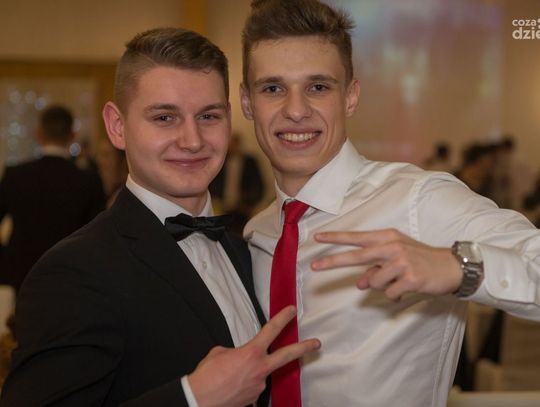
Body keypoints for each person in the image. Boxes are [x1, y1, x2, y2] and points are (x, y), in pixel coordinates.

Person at [240, 1, 540, 406]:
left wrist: (458, 267)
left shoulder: (418, 200)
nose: (295, 110)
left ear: (350, 96)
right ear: (247, 102)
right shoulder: (258, 233)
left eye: (318, 87)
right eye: (273, 88)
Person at [0, 27, 319, 406]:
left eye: (209, 116)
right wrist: (193, 397)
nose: (192, 141)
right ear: (117, 127)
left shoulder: (246, 251)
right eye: (165, 117)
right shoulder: (71, 272)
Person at [0, 105, 106, 291]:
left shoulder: (15, 175)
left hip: (21, 274)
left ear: (39, 134)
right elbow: (99, 234)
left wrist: (6, 258)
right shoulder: (88, 180)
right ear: (72, 135)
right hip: (72, 274)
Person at [209, 132, 265, 235]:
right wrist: (216, 198)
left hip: (243, 208)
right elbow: (213, 181)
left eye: (233, 143)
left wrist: (250, 202)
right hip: (222, 207)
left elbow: (258, 184)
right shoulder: (220, 161)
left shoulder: (250, 161)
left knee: (241, 235)